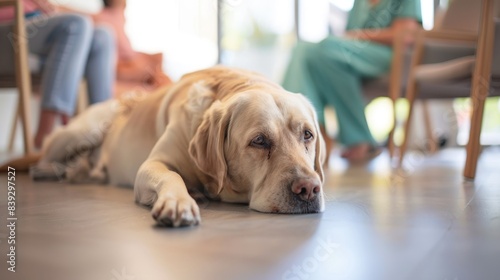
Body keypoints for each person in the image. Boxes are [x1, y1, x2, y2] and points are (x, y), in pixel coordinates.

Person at [282, 0, 421, 162]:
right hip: (351, 58)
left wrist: (358, 36)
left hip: (392, 56)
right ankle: (310, 128)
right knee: (303, 49)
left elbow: (406, 36)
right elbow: (346, 38)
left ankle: (302, 130)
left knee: (326, 48)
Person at [0, 0, 116, 149]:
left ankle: (101, 136)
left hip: (33, 27)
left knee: (103, 36)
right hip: (8, 31)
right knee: (76, 24)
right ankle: (46, 137)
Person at [93, 0, 172, 96]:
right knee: (161, 79)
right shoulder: (101, 18)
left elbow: (128, 51)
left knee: (160, 68)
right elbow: (125, 53)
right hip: (119, 66)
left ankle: (167, 91)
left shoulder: (120, 17)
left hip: (128, 63)